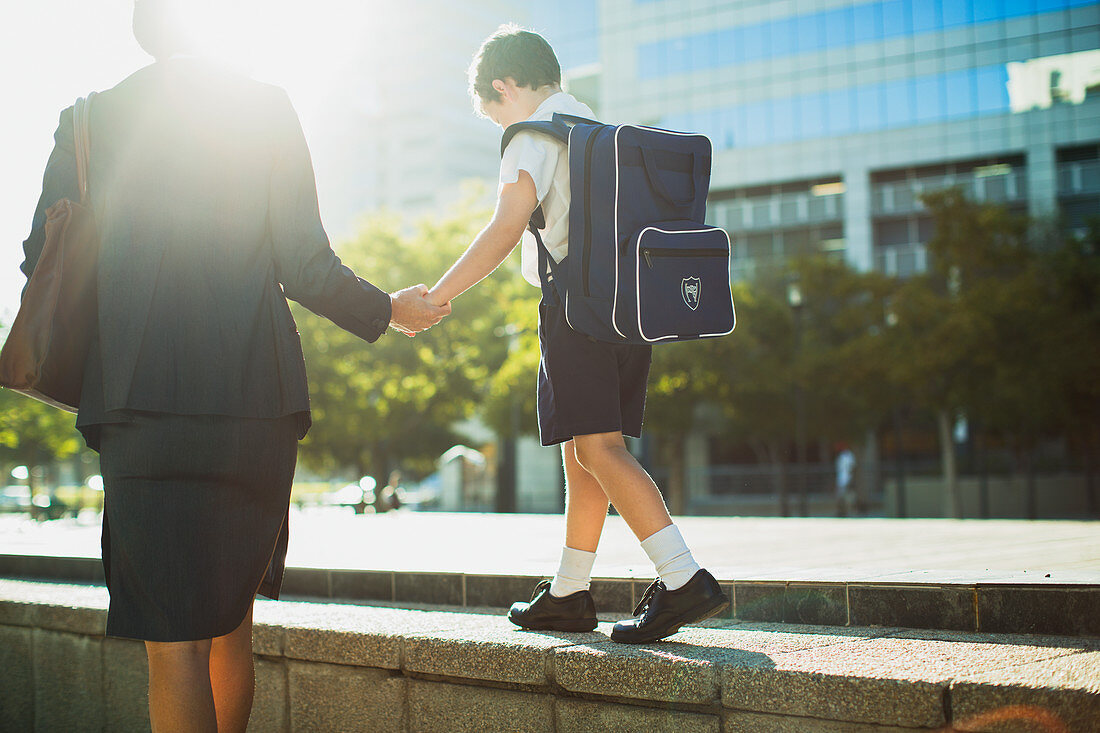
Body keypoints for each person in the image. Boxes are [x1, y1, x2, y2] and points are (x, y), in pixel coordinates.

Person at [18, 2, 448, 731]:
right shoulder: (266, 107)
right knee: (230, 622)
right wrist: (389, 309)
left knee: (171, 644)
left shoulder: (89, 119)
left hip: (137, 400)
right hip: (255, 397)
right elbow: (306, 264)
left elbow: (42, 256)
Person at [425, 25, 729, 644]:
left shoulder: (531, 135)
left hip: (575, 312)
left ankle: (683, 579)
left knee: (598, 450)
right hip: (630, 307)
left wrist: (437, 296)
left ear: (504, 87)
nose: (498, 126)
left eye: (493, 112)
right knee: (582, 448)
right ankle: (569, 591)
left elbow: (509, 224)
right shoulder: (593, 126)